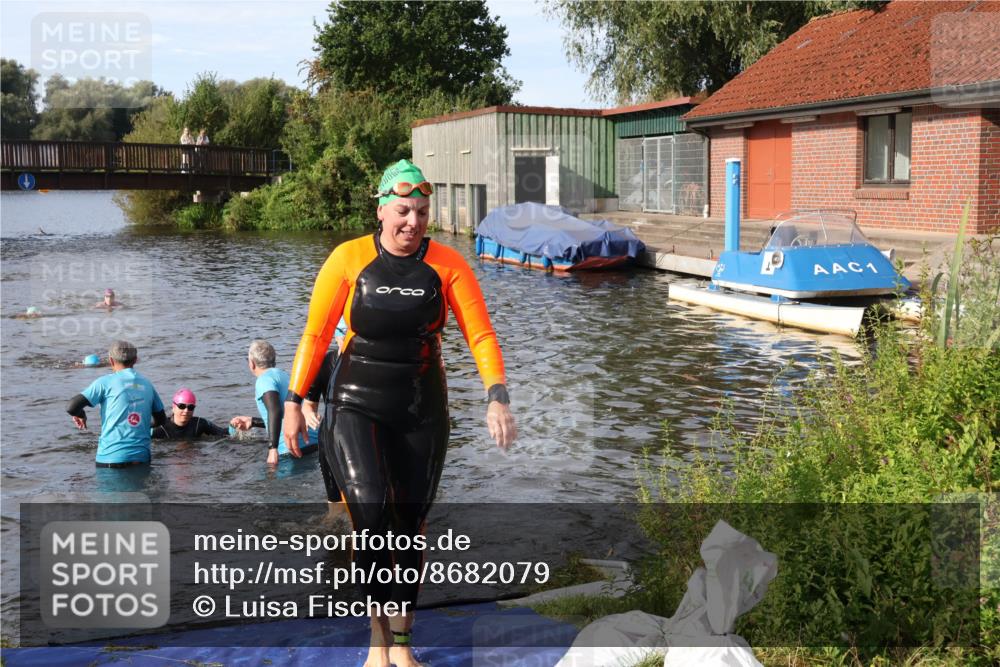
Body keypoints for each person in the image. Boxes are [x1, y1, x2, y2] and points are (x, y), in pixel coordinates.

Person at [282, 159, 516, 667]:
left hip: (420, 407)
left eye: (423, 212)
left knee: (409, 525)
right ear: (382, 209)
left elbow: (480, 334)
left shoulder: (448, 265)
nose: (414, 222)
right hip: (353, 402)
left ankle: (404, 648)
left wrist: (496, 395)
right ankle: (377, 644)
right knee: (369, 516)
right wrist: (294, 402)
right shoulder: (348, 258)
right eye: (404, 210)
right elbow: (315, 335)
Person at [66, 340, 166, 467]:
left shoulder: (104, 383)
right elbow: (161, 420)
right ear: (135, 360)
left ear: (111, 361)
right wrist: (140, 426)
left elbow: (71, 407)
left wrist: (81, 414)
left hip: (110, 459)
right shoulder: (147, 384)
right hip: (141, 458)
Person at [230, 340, 320, 466]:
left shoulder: (264, 380)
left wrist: (273, 448)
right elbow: (285, 416)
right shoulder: (286, 376)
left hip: (290, 451)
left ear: (252, 363)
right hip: (315, 443)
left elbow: (275, 411)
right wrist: (253, 422)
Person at [151, 388, 229, 439]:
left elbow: (222, 433)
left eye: (190, 407)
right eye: (181, 406)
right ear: (173, 408)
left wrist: (234, 426)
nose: (186, 410)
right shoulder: (160, 429)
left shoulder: (200, 424)